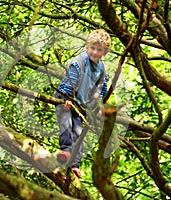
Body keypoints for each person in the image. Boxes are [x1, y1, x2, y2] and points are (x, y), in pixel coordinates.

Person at [55, 29, 111, 178]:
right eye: (92, 48)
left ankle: (75, 165)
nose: (94, 52)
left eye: (99, 50)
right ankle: (66, 151)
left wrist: (100, 106)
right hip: (66, 98)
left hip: (82, 105)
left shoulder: (101, 69)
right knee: (67, 125)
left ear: (104, 53)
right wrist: (66, 98)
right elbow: (70, 80)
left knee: (78, 133)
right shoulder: (79, 63)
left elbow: (102, 88)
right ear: (87, 47)